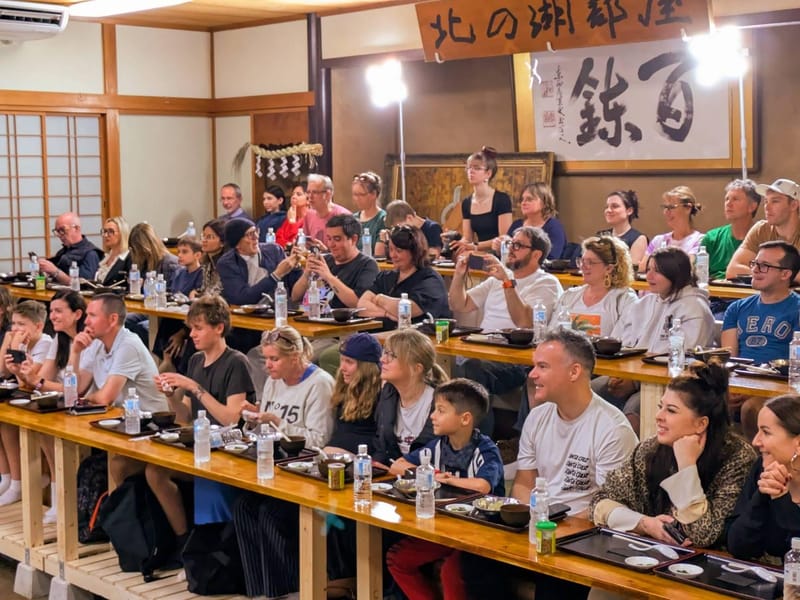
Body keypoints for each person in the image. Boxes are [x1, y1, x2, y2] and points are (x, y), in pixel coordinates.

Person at [490, 329, 637, 600]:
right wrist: (528, 519)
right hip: (539, 525)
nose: (532, 374)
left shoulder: (611, 429)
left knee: (554, 581)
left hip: (585, 538)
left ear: (574, 372)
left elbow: (607, 508)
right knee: (473, 560)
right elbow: (524, 481)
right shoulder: (538, 417)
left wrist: (549, 528)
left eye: (542, 367)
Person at [590, 361, 756, 551]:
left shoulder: (738, 458)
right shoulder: (651, 448)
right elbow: (599, 503)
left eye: (671, 410)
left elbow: (702, 535)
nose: (658, 416)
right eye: (661, 406)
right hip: (654, 555)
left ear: (701, 424)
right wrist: (645, 524)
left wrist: (687, 466)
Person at [233, 327, 335, 598]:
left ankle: (288, 590)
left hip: (307, 470)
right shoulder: (273, 381)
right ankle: (259, 591)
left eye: (274, 359)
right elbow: (266, 427)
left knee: (271, 513)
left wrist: (278, 422)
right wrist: (254, 419)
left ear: (296, 356)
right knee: (243, 506)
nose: (267, 366)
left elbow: (319, 440)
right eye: (266, 359)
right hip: (276, 464)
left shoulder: (320, 384)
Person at [148, 295, 255, 548]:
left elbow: (231, 418)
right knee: (154, 471)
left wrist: (194, 387)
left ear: (219, 328)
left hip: (227, 449)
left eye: (198, 328)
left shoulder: (236, 362)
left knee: (206, 479)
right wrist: (171, 397)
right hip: (199, 443)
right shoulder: (195, 360)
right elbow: (185, 415)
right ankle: (185, 543)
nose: (192, 335)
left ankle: (208, 550)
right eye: (191, 328)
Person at [386, 379, 504, 600]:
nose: (432, 416)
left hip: (481, 534)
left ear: (465, 419)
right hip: (446, 529)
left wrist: (447, 480)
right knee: (398, 558)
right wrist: (430, 472)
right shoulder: (439, 444)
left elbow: (482, 485)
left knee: (451, 572)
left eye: (440, 410)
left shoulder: (485, 450)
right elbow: (397, 465)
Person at [449, 226, 562, 433]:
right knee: (455, 364)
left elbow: (525, 322)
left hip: (516, 358)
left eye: (518, 245)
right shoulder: (496, 279)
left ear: (536, 254)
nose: (511, 249)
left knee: (471, 368)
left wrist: (508, 282)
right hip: (484, 349)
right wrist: (458, 275)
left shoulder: (546, 283)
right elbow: (460, 304)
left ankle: (478, 441)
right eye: (510, 243)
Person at [599, 248, 716, 424]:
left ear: (675, 272)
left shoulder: (695, 308)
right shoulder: (644, 304)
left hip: (674, 385)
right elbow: (621, 343)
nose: (649, 276)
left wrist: (634, 383)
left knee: (636, 407)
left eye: (657, 271)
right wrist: (622, 375)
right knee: (586, 390)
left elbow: (685, 360)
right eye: (648, 270)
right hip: (634, 376)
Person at [69, 294, 168, 484]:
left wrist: (90, 397)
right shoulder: (96, 342)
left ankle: (119, 510)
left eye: (92, 315)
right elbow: (77, 390)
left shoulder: (129, 344)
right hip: (122, 424)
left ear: (112, 319)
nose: (86, 321)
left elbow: (105, 397)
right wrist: (75, 353)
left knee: (114, 465)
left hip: (150, 428)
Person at [16, 291, 86, 523]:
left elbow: (77, 389)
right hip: (65, 404)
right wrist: (23, 371)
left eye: (58, 311)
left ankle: (64, 501)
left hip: (86, 406)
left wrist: (38, 381)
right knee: (41, 427)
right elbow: (42, 378)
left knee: (51, 431)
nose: (52, 316)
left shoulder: (87, 340)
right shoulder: (60, 338)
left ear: (77, 314)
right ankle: (56, 499)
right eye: (52, 310)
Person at [721, 241, 800, 439]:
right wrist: (730, 388)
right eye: (754, 264)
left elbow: (796, 365)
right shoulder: (736, 309)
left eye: (764, 266)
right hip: (743, 380)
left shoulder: (797, 309)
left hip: (781, 386)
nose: (755, 270)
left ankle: (757, 466)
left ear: (785, 274)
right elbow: (729, 358)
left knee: (751, 409)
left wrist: (756, 389)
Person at [726, 395, 800, 561]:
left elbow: (795, 552)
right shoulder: (763, 467)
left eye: (765, 432)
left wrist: (781, 499)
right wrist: (762, 494)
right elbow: (738, 545)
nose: (755, 441)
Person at [0, 301, 53, 506]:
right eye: (13, 323)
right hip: (23, 396)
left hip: (42, 400)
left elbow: (30, 384)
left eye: (21, 324)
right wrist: (7, 343)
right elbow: (2, 372)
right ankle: (7, 477)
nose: (15, 329)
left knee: (11, 419)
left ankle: (18, 482)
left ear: (38, 326)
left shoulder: (45, 344)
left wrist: (15, 349)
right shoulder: (16, 339)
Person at [373, 328, 449, 466]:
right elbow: (381, 444)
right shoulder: (388, 393)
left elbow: (441, 454)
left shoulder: (439, 402)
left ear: (416, 368)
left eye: (391, 355)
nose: (382, 359)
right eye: (385, 352)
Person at [358, 225, 451, 331]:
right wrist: (387, 313)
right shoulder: (385, 277)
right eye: (391, 249)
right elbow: (362, 306)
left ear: (414, 251)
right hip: (383, 337)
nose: (393, 255)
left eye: (399, 250)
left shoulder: (430, 280)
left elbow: (408, 310)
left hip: (416, 340)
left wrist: (380, 299)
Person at [549, 236, 636, 337]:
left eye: (590, 262)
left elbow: (621, 341)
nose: (582, 266)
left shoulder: (625, 300)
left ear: (609, 268)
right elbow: (552, 335)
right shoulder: (569, 296)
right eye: (582, 261)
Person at [290, 214, 379, 312]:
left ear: (354, 239)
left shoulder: (367, 265)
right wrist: (307, 274)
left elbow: (359, 303)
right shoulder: (325, 260)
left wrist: (328, 277)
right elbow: (295, 297)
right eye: (329, 239)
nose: (331, 244)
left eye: (337, 239)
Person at [727, 178, 800, 280]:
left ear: (794, 205)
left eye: (775, 201)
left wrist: (764, 274)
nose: (767, 207)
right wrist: (776, 276)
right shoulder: (761, 229)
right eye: (766, 201)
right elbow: (733, 270)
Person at [216, 218, 297, 306]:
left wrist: (297, 265)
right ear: (237, 244)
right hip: (245, 315)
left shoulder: (274, 250)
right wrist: (276, 275)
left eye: (256, 231)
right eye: (250, 234)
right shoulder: (227, 263)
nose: (256, 237)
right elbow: (241, 298)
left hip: (278, 309)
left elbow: (293, 284)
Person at [451, 146, 512, 254]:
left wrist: (474, 246)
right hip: (477, 253)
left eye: (477, 168)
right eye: (469, 168)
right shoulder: (467, 202)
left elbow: (504, 238)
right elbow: (467, 238)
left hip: (498, 254)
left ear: (488, 173)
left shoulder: (501, 199)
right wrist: (456, 243)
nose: (471, 171)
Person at [701, 179, 761, 280]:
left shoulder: (763, 237)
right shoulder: (712, 238)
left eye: (735, 199)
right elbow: (697, 274)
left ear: (752, 207)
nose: (728, 203)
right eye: (727, 199)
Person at [638, 186, 704, 272]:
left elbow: (686, 269)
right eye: (665, 207)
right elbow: (642, 268)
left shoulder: (700, 240)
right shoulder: (658, 240)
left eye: (671, 207)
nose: (666, 212)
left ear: (688, 208)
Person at [502, 182, 566, 261]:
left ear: (544, 202)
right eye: (522, 199)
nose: (523, 203)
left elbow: (552, 257)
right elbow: (507, 253)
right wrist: (500, 247)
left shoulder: (553, 226)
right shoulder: (517, 224)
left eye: (529, 199)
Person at [37, 212, 102, 283]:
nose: (59, 235)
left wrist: (55, 271)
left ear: (76, 228)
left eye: (62, 230)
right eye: (57, 231)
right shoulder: (62, 252)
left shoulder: (91, 253)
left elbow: (85, 284)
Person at [378, 199, 443, 259]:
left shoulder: (432, 228)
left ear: (409, 218)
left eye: (400, 227)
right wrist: (387, 241)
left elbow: (434, 255)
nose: (399, 230)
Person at [597, 190, 648, 267]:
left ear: (629, 210)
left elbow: (631, 271)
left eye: (615, 206)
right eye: (607, 207)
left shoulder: (639, 239)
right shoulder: (600, 235)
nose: (608, 210)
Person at [303, 174, 351, 243]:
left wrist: (326, 252)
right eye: (308, 192)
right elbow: (306, 244)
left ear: (328, 194)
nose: (310, 196)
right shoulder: (309, 215)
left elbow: (348, 250)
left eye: (315, 192)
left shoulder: (343, 216)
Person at [351, 171, 385, 254]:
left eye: (361, 195)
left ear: (373, 194)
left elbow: (379, 255)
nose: (356, 199)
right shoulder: (353, 218)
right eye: (355, 194)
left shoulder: (382, 219)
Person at [94, 216, 131, 286]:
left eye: (111, 231)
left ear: (122, 233)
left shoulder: (128, 258)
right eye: (104, 231)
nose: (105, 235)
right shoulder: (105, 257)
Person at [195, 218, 226, 297]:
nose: (204, 240)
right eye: (203, 236)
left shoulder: (227, 263)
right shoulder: (206, 262)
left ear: (222, 242)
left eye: (209, 237)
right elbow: (205, 288)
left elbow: (220, 291)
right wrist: (197, 293)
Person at [276, 182, 310, 247]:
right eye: (293, 194)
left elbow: (297, 243)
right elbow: (278, 239)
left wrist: (292, 222)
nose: (294, 197)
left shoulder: (310, 219)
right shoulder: (291, 216)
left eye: (298, 194)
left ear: (308, 200)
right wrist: (288, 245)